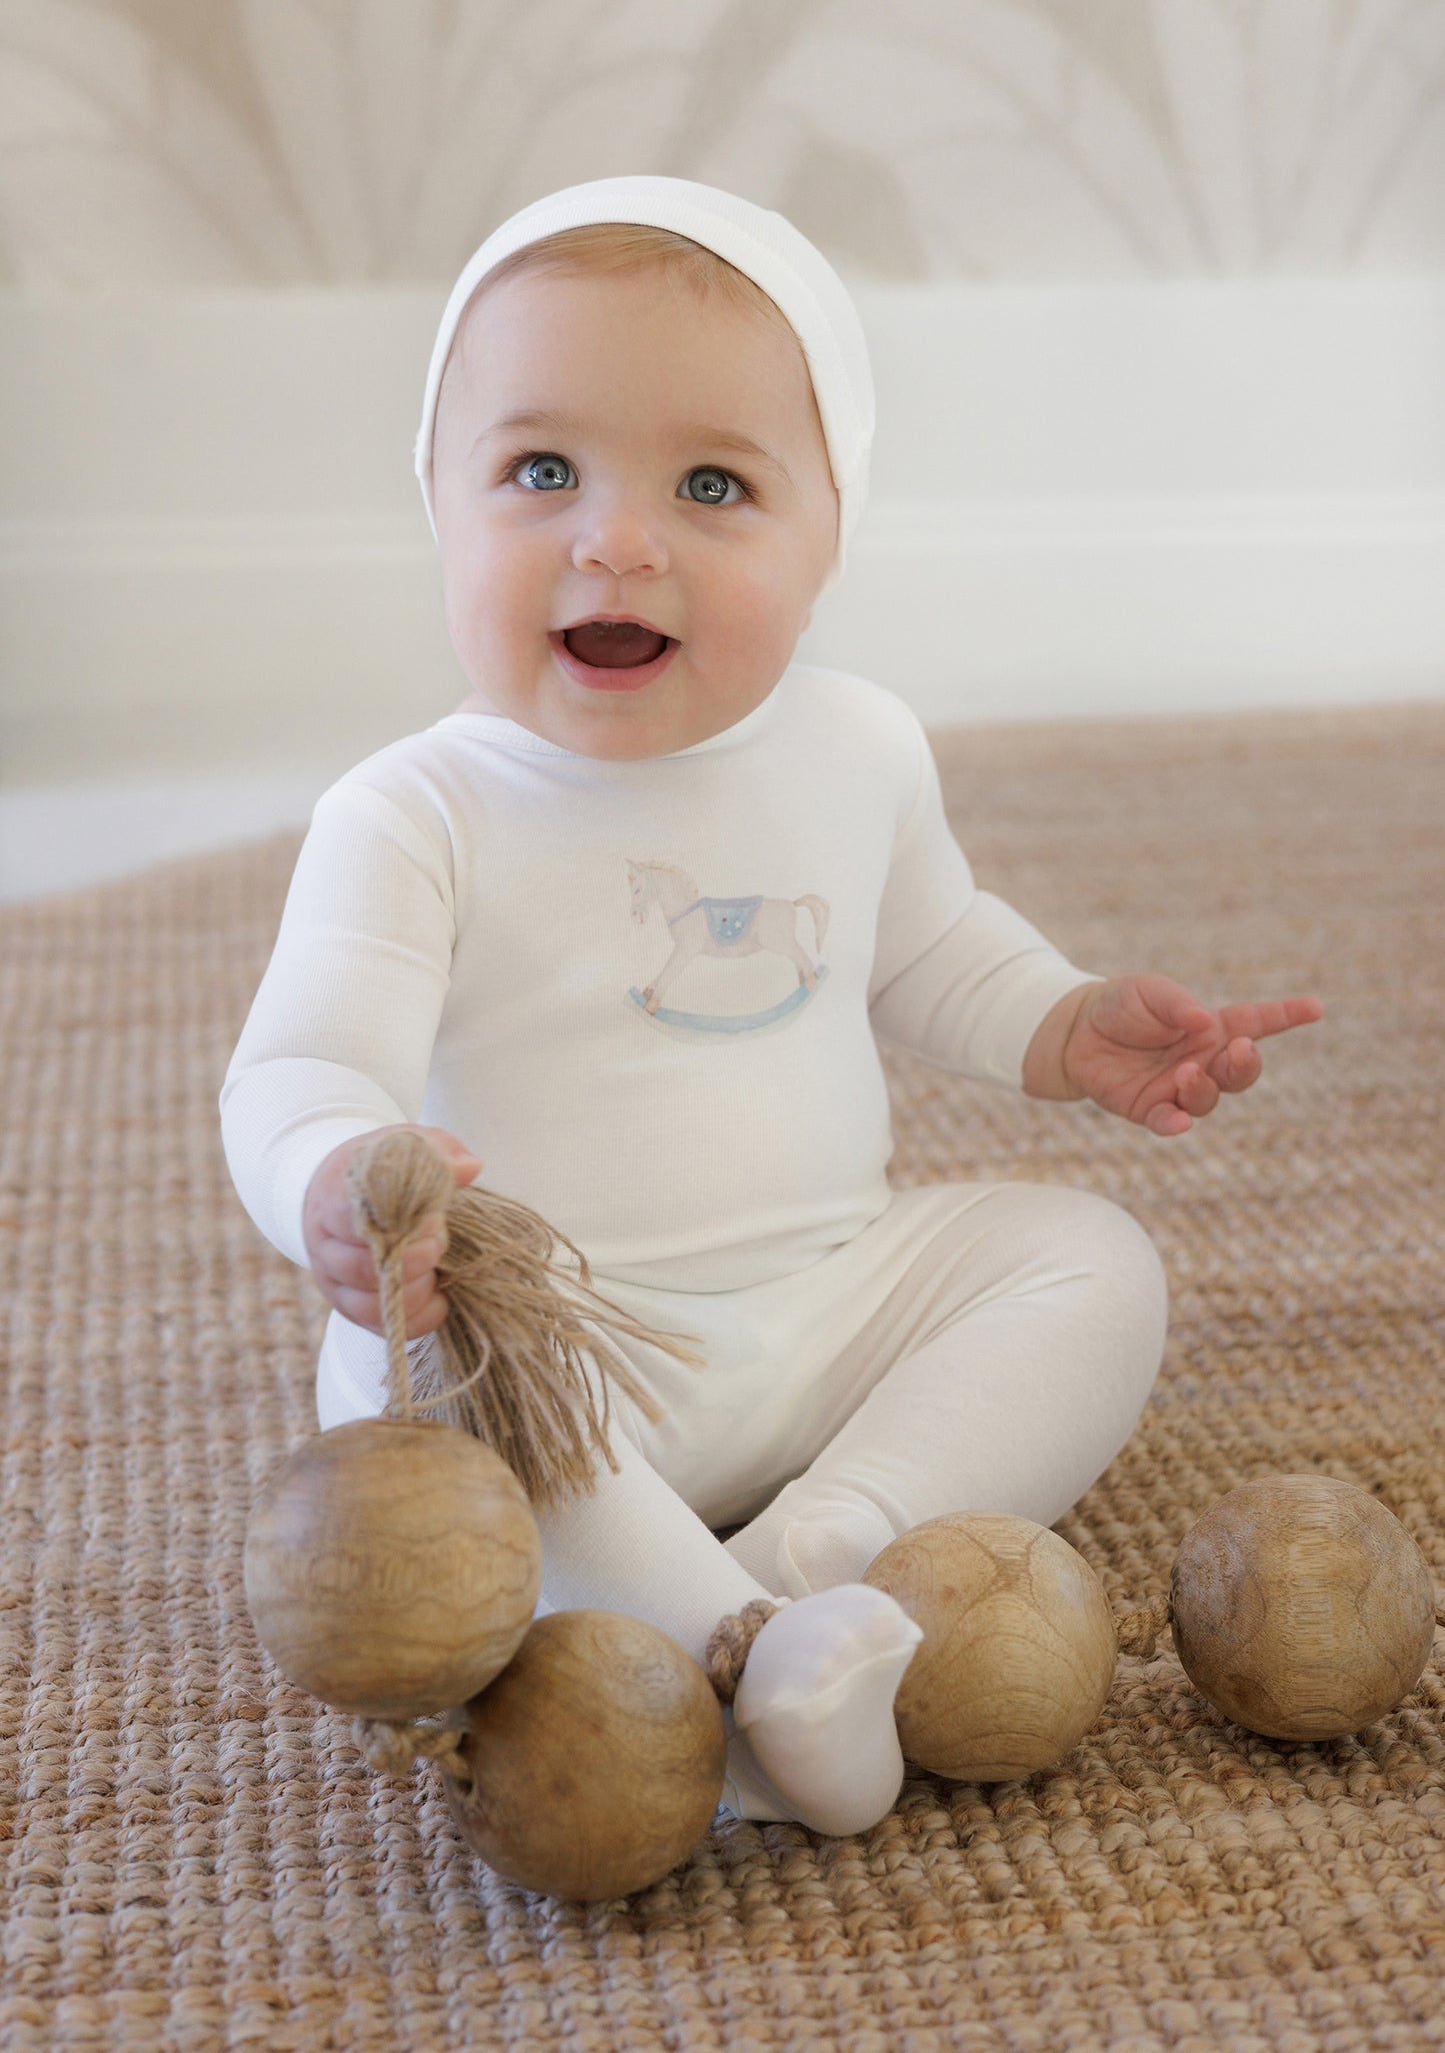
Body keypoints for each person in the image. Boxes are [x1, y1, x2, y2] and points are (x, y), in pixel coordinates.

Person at [220, 176, 1322, 1835]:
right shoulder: (415, 811)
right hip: (549, 1346)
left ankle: (810, 1562)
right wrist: (331, 1169)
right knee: (402, 1397)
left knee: (1084, 1263)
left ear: (826, 540)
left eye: (713, 484)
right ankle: (739, 1655)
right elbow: (306, 1051)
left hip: (823, 1307)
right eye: (539, 471)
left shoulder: (856, 746)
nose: (614, 536)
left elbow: (929, 944)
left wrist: (1061, 1018)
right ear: (440, 507)